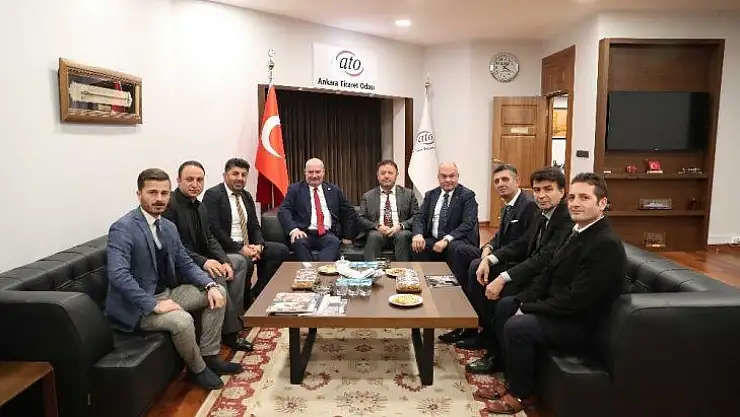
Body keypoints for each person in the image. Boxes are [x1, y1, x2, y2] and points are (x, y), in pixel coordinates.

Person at [483, 173, 626, 414]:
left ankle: (522, 394)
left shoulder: (605, 243)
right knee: (507, 305)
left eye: (584, 198)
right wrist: (523, 301)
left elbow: (576, 300)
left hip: (581, 322)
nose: (575, 203)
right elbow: (548, 272)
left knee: (518, 326)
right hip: (561, 309)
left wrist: (528, 308)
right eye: (572, 197)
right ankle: (512, 378)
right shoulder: (577, 230)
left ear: (602, 203)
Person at [105, 168, 242, 391]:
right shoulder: (123, 228)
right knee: (182, 320)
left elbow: (185, 262)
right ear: (139, 194)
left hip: (167, 293)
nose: (159, 198)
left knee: (218, 291)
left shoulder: (168, 227)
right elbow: (118, 275)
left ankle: (209, 356)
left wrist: (209, 284)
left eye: (164, 193)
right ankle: (197, 370)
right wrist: (153, 304)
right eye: (152, 192)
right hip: (137, 307)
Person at [464, 167, 573, 370]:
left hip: (544, 281)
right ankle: (486, 336)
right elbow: (522, 244)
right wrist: (490, 258)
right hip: (533, 273)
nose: (541, 195)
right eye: (537, 190)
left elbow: (543, 258)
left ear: (562, 191)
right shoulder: (542, 213)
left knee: (502, 300)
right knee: (479, 270)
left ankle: (497, 356)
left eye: (548, 189)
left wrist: (503, 277)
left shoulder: (564, 218)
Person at [439, 164, 536, 344]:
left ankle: (479, 328)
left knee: (475, 266)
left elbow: (521, 245)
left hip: (515, 261)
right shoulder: (508, 205)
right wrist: (488, 248)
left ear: (517, 181)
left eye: (505, 179)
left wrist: (489, 259)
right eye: (496, 181)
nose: (500, 184)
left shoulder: (528, 205)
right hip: (499, 253)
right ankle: (465, 313)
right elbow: (499, 237)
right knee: (461, 251)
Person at [163, 160, 253, 352]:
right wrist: (205, 262)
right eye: (189, 179)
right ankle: (230, 333)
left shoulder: (200, 206)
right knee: (217, 273)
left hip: (201, 259)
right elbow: (176, 248)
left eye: (199, 180)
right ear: (178, 180)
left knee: (238, 263)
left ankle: (236, 318)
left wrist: (224, 260)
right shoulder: (169, 206)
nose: (195, 184)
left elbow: (210, 238)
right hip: (182, 266)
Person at [203, 158, 290, 303]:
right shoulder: (213, 195)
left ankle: (259, 293)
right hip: (225, 247)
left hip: (247, 244)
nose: (240, 178)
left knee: (280, 250)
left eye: (243, 175)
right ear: (225, 176)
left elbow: (254, 225)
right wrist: (240, 248)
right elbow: (214, 229)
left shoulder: (246, 196)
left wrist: (259, 245)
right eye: (235, 174)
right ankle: (246, 300)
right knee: (245, 261)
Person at [277, 158, 358, 261]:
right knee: (299, 242)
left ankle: (322, 269)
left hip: (327, 234)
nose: (314, 176)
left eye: (318, 172)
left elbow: (349, 211)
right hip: (303, 233)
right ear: (305, 172)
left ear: (323, 172)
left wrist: (348, 236)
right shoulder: (295, 189)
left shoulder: (334, 190)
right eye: (310, 172)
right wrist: (294, 230)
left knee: (333, 242)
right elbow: (284, 210)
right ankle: (308, 270)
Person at [411, 162, 479, 266]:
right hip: (434, 239)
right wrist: (418, 234)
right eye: (444, 176)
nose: (447, 180)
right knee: (418, 245)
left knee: (453, 247)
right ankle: (422, 275)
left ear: (458, 177)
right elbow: (419, 217)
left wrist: (447, 239)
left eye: (451, 176)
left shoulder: (467, 196)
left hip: (458, 239)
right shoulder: (431, 194)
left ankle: (452, 277)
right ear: (438, 177)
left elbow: (468, 223)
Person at [358, 160, 418, 261]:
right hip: (378, 233)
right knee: (374, 235)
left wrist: (401, 226)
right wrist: (377, 226)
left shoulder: (408, 194)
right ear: (377, 176)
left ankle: (403, 269)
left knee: (403, 235)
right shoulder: (368, 196)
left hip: (400, 232)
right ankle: (370, 268)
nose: (386, 176)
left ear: (396, 175)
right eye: (383, 173)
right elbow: (361, 218)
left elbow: (416, 216)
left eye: (390, 173)